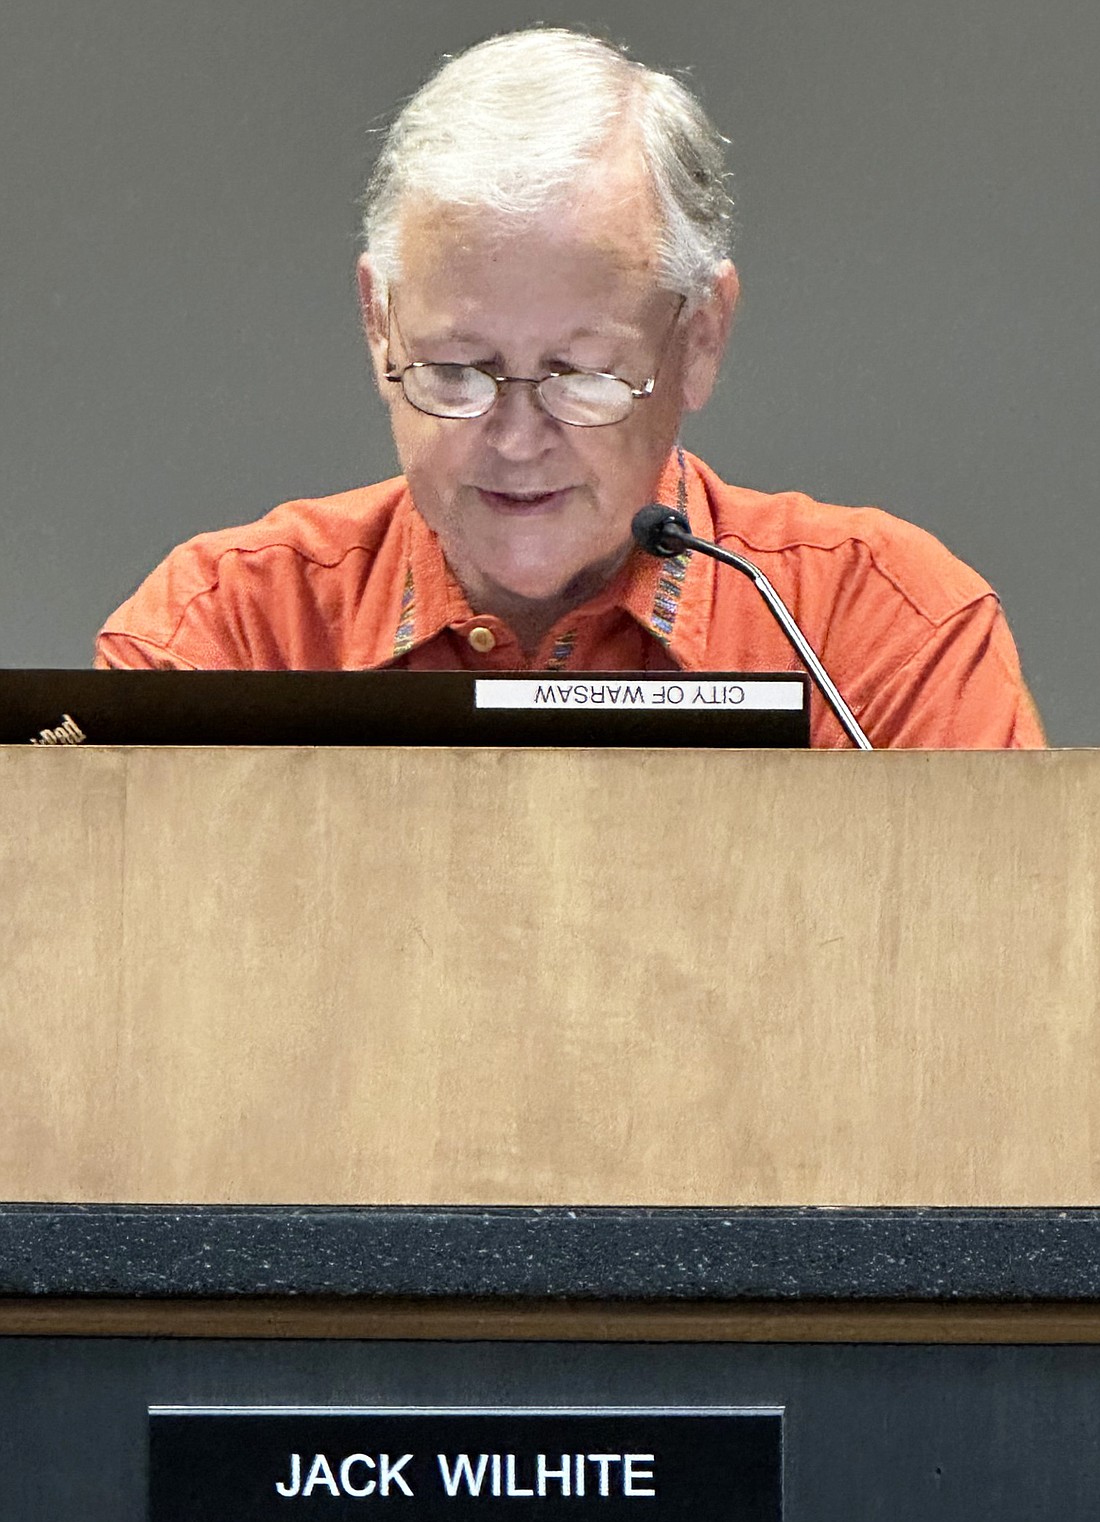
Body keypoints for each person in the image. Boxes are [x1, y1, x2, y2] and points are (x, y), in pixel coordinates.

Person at [94, 27, 1044, 748]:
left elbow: (991, 992)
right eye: (457, 371)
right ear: (377, 321)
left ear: (700, 338)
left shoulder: (882, 635)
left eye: (580, 376)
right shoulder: (226, 635)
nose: (515, 439)